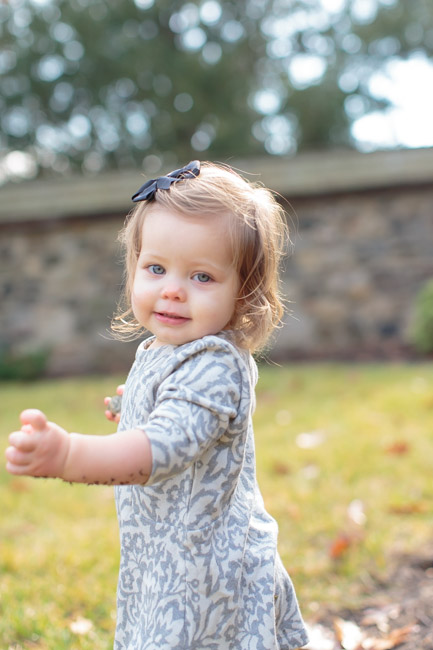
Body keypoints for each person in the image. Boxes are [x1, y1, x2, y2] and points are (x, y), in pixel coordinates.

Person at [5, 161, 309, 649]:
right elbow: (167, 414)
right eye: (156, 268)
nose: (172, 288)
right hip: (166, 551)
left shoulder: (214, 364)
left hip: (205, 571)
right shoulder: (166, 349)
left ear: (243, 293)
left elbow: (160, 450)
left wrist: (68, 456)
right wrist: (132, 409)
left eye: (202, 276)